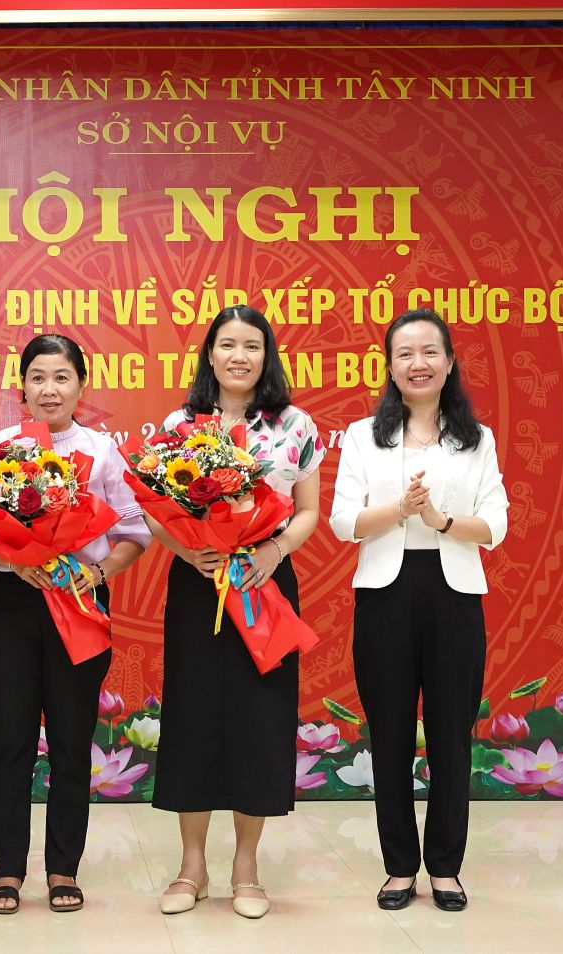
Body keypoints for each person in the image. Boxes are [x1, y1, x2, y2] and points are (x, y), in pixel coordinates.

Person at [0, 334, 148, 914]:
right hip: (11, 605)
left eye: (62, 377)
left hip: (80, 602)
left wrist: (98, 572)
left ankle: (64, 868)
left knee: (70, 742)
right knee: (11, 741)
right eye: (37, 377)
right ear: (22, 386)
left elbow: (134, 529)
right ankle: (8, 870)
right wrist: (15, 558)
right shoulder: (1, 447)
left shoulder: (102, 450)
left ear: (80, 386)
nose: (49, 389)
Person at [328, 308, 507, 913]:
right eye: (405, 353)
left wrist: (441, 520)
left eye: (430, 351)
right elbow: (344, 522)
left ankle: (447, 869)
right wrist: (402, 510)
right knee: (391, 737)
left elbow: (496, 527)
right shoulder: (363, 436)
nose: (418, 363)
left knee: (452, 736)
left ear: (449, 362)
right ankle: (400, 867)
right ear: (390, 366)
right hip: (385, 593)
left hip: (454, 595)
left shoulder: (477, 439)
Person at [151, 305, 321, 920]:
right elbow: (154, 512)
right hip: (199, 583)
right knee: (193, 717)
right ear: (210, 354)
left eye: (252, 345)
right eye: (227, 344)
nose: (239, 356)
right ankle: (191, 866)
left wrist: (274, 551)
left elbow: (308, 510)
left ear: (266, 355)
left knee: (259, 719)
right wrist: (187, 549)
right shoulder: (179, 425)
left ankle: (246, 866)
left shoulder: (294, 425)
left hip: (263, 580)